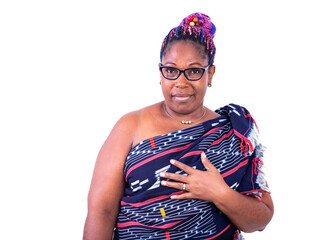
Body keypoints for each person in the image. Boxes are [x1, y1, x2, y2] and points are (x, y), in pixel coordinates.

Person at [83, 12, 274, 240]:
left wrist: (220, 193)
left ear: (210, 74)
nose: (180, 83)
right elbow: (101, 213)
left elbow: (260, 220)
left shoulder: (234, 131)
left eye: (193, 71)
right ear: (161, 73)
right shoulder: (130, 126)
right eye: (171, 70)